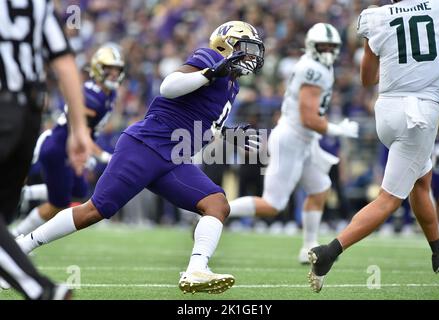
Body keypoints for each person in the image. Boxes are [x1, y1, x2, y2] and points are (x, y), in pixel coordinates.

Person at [16, 20, 265, 294]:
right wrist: (209, 72)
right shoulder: (210, 58)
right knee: (94, 211)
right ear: (226, 44)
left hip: (174, 158)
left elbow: (202, 120)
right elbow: (169, 87)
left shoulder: (232, 84)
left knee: (217, 204)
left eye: (255, 51)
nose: (252, 56)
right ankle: (23, 245)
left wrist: (226, 132)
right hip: (146, 146)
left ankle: (196, 269)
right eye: (246, 48)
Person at [308, 0, 439, 293]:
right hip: (419, 114)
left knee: (421, 181)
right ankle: (329, 252)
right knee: (389, 199)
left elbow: (366, 78)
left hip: (386, 111)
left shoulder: (378, 16)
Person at [228, 23, 359, 263]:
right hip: (293, 138)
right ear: (312, 46)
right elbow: (309, 117)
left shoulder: (318, 66)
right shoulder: (313, 69)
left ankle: (308, 247)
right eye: (324, 46)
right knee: (272, 205)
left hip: (303, 139)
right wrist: (337, 128)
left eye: (332, 46)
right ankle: (219, 211)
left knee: (320, 188)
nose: (329, 50)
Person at [0, 0, 91, 299]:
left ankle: (41, 290)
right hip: (29, 117)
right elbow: (65, 63)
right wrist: (78, 129)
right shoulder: (37, 5)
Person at [11, 44, 125, 238]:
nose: (114, 74)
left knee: (79, 190)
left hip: (70, 148)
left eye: (117, 69)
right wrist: (105, 156)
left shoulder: (108, 93)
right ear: (98, 68)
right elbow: (82, 133)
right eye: (109, 69)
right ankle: (18, 235)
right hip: (59, 148)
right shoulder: (92, 97)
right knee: (59, 203)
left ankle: (27, 194)